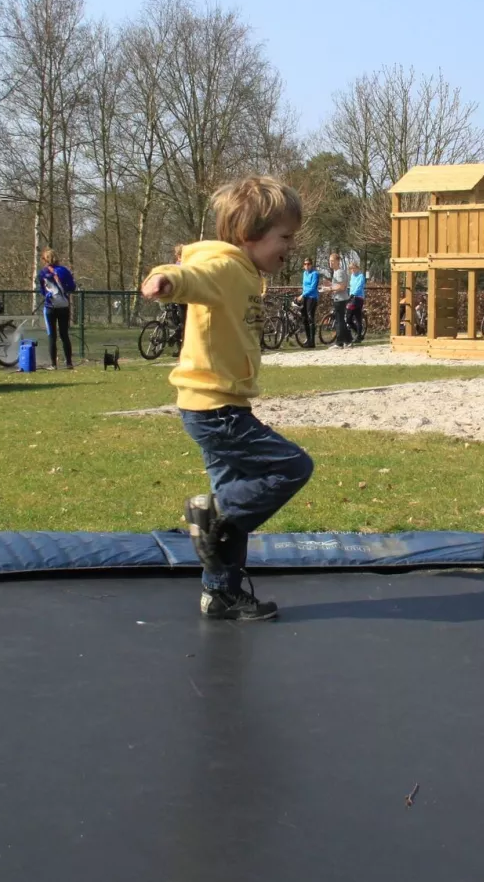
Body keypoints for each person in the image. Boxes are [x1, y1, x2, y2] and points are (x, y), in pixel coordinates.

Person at [139, 176, 314, 621]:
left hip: (214, 404)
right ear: (250, 234)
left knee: (231, 493)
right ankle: (215, 515)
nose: (289, 247)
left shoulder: (245, 270)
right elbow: (191, 277)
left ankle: (220, 594)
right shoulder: (226, 266)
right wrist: (164, 279)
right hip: (217, 409)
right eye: (285, 237)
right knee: (291, 467)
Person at [36, 248, 76, 368]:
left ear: (45, 259)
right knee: (64, 334)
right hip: (64, 306)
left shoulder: (42, 273)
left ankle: (53, 364)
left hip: (50, 306)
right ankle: (69, 363)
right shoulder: (64, 271)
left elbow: (42, 290)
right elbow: (72, 287)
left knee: (51, 335)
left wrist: (48, 294)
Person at [325, 251, 350, 347]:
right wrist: (330, 285)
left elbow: (342, 287)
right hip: (338, 298)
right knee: (340, 320)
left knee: (339, 321)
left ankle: (340, 342)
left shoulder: (339, 272)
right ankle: (348, 340)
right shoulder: (336, 272)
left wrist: (329, 288)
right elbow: (337, 285)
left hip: (340, 299)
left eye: (332, 261)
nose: (330, 263)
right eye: (329, 261)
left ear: (337, 261)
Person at [299, 256, 322, 348]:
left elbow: (312, 288)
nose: (307, 266)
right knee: (304, 318)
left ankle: (312, 341)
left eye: (308, 264)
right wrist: (302, 295)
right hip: (305, 296)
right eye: (305, 264)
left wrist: (303, 295)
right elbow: (304, 286)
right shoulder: (305, 273)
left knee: (310, 317)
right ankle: (308, 339)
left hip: (312, 297)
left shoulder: (315, 274)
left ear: (311, 265)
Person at [344, 255, 366, 343]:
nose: (352, 270)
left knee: (350, 315)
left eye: (353, 268)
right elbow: (351, 287)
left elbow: (359, 287)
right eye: (351, 269)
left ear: (357, 268)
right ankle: (359, 335)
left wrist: (353, 294)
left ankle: (358, 335)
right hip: (352, 297)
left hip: (358, 298)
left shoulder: (361, 276)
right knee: (356, 317)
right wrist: (348, 294)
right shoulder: (352, 277)